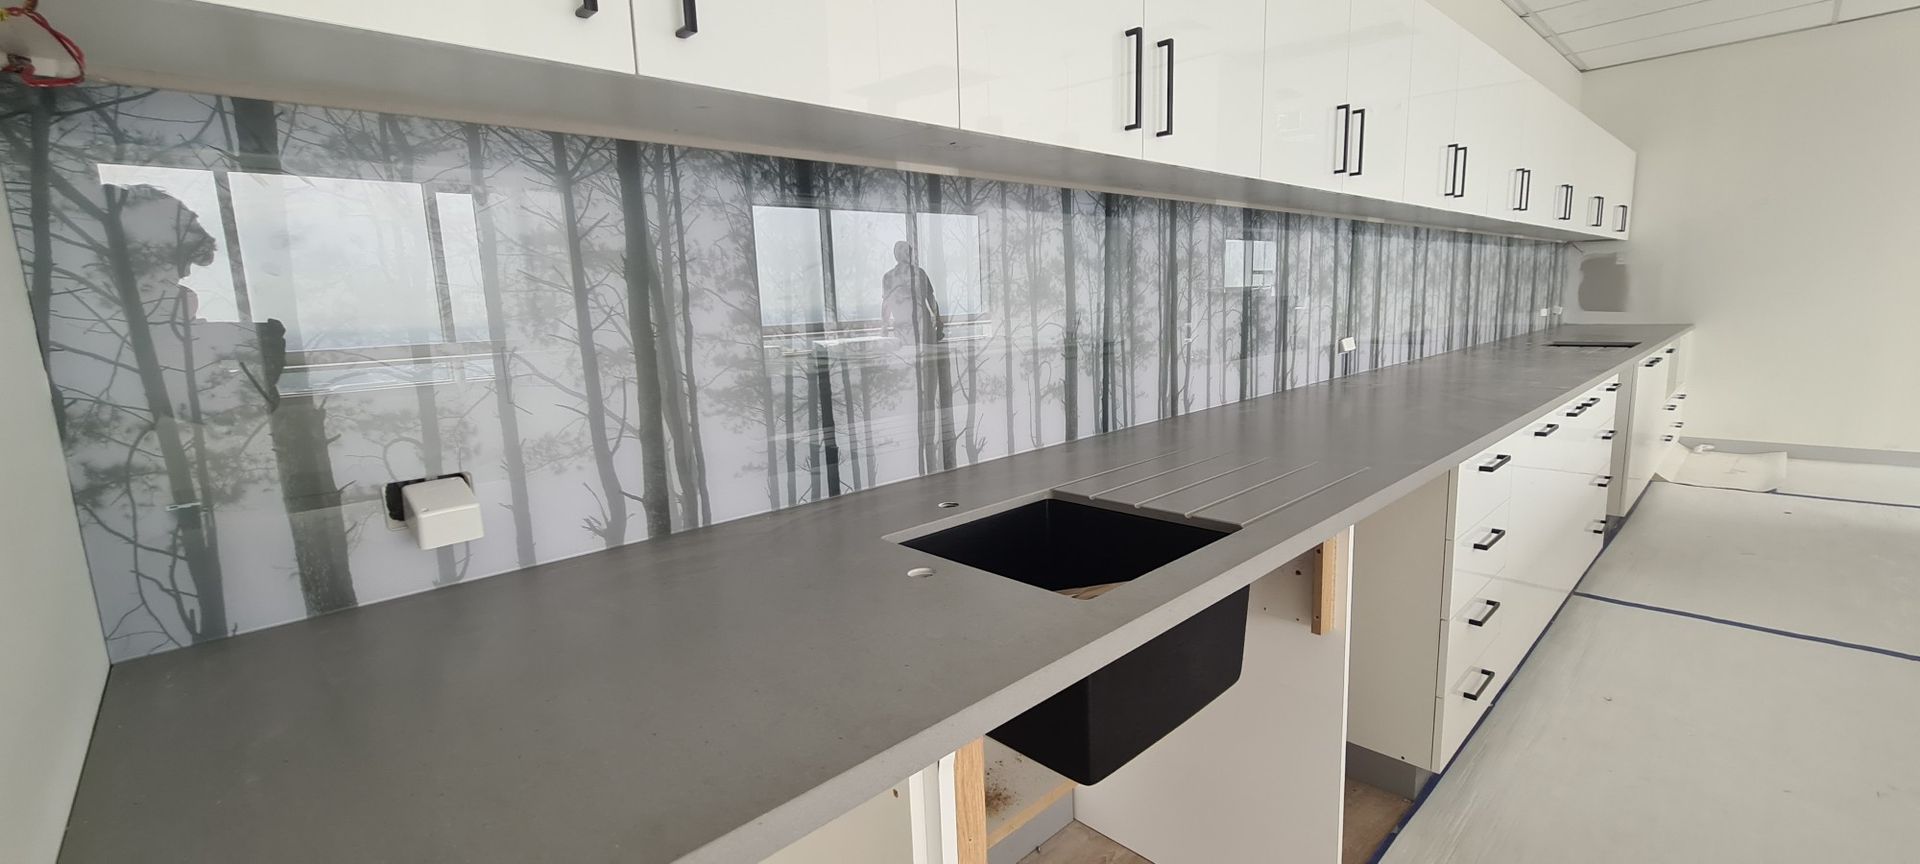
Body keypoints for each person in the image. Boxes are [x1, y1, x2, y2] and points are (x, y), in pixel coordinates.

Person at [879, 240, 944, 345]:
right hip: (905, 330)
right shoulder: (889, 278)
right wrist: (884, 326)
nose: (908, 254)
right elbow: (886, 304)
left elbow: (931, 299)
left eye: (908, 251)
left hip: (920, 328)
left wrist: (938, 321)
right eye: (906, 251)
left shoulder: (919, 274)